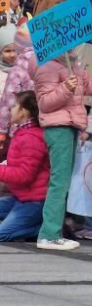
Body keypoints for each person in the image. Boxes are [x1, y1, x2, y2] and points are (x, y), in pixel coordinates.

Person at [31, 48, 92, 250]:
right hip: (58, 128)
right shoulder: (47, 66)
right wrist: (65, 88)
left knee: (63, 182)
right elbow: (45, 103)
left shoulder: (71, 63)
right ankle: (48, 234)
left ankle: (53, 232)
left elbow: (90, 86)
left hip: (69, 125)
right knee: (59, 182)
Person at [0, 92, 49, 241]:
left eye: (14, 106)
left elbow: (24, 175)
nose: (11, 109)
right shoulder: (22, 133)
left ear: (23, 112)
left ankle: (44, 229)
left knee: (2, 234)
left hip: (34, 201)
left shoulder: (31, 137)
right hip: (19, 197)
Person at [0, 23, 34, 144]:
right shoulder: (39, 64)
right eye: (7, 51)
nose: (12, 54)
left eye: (15, 50)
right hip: (34, 126)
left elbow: (8, 101)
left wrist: (2, 130)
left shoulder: (18, 70)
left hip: (16, 125)